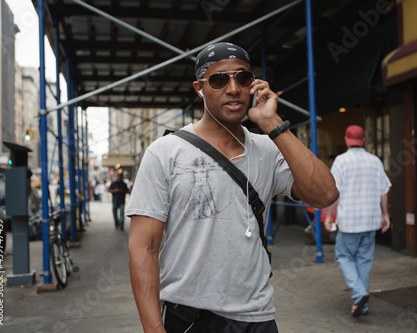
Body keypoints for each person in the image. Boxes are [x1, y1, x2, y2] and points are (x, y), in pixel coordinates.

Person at [126, 42, 339, 333]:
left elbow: (325, 194)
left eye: (243, 78)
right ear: (199, 88)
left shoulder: (268, 148)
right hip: (191, 318)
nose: (233, 88)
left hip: (258, 317)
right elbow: (144, 247)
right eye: (218, 79)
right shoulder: (165, 152)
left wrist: (272, 123)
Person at [323, 125, 391, 318]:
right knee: (364, 260)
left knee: (343, 256)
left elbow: (333, 191)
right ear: (363, 140)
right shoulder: (375, 161)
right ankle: (362, 303)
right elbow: (383, 190)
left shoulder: (341, 161)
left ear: (346, 139)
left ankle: (360, 294)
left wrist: (329, 216)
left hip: (349, 221)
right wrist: (384, 215)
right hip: (371, 220)